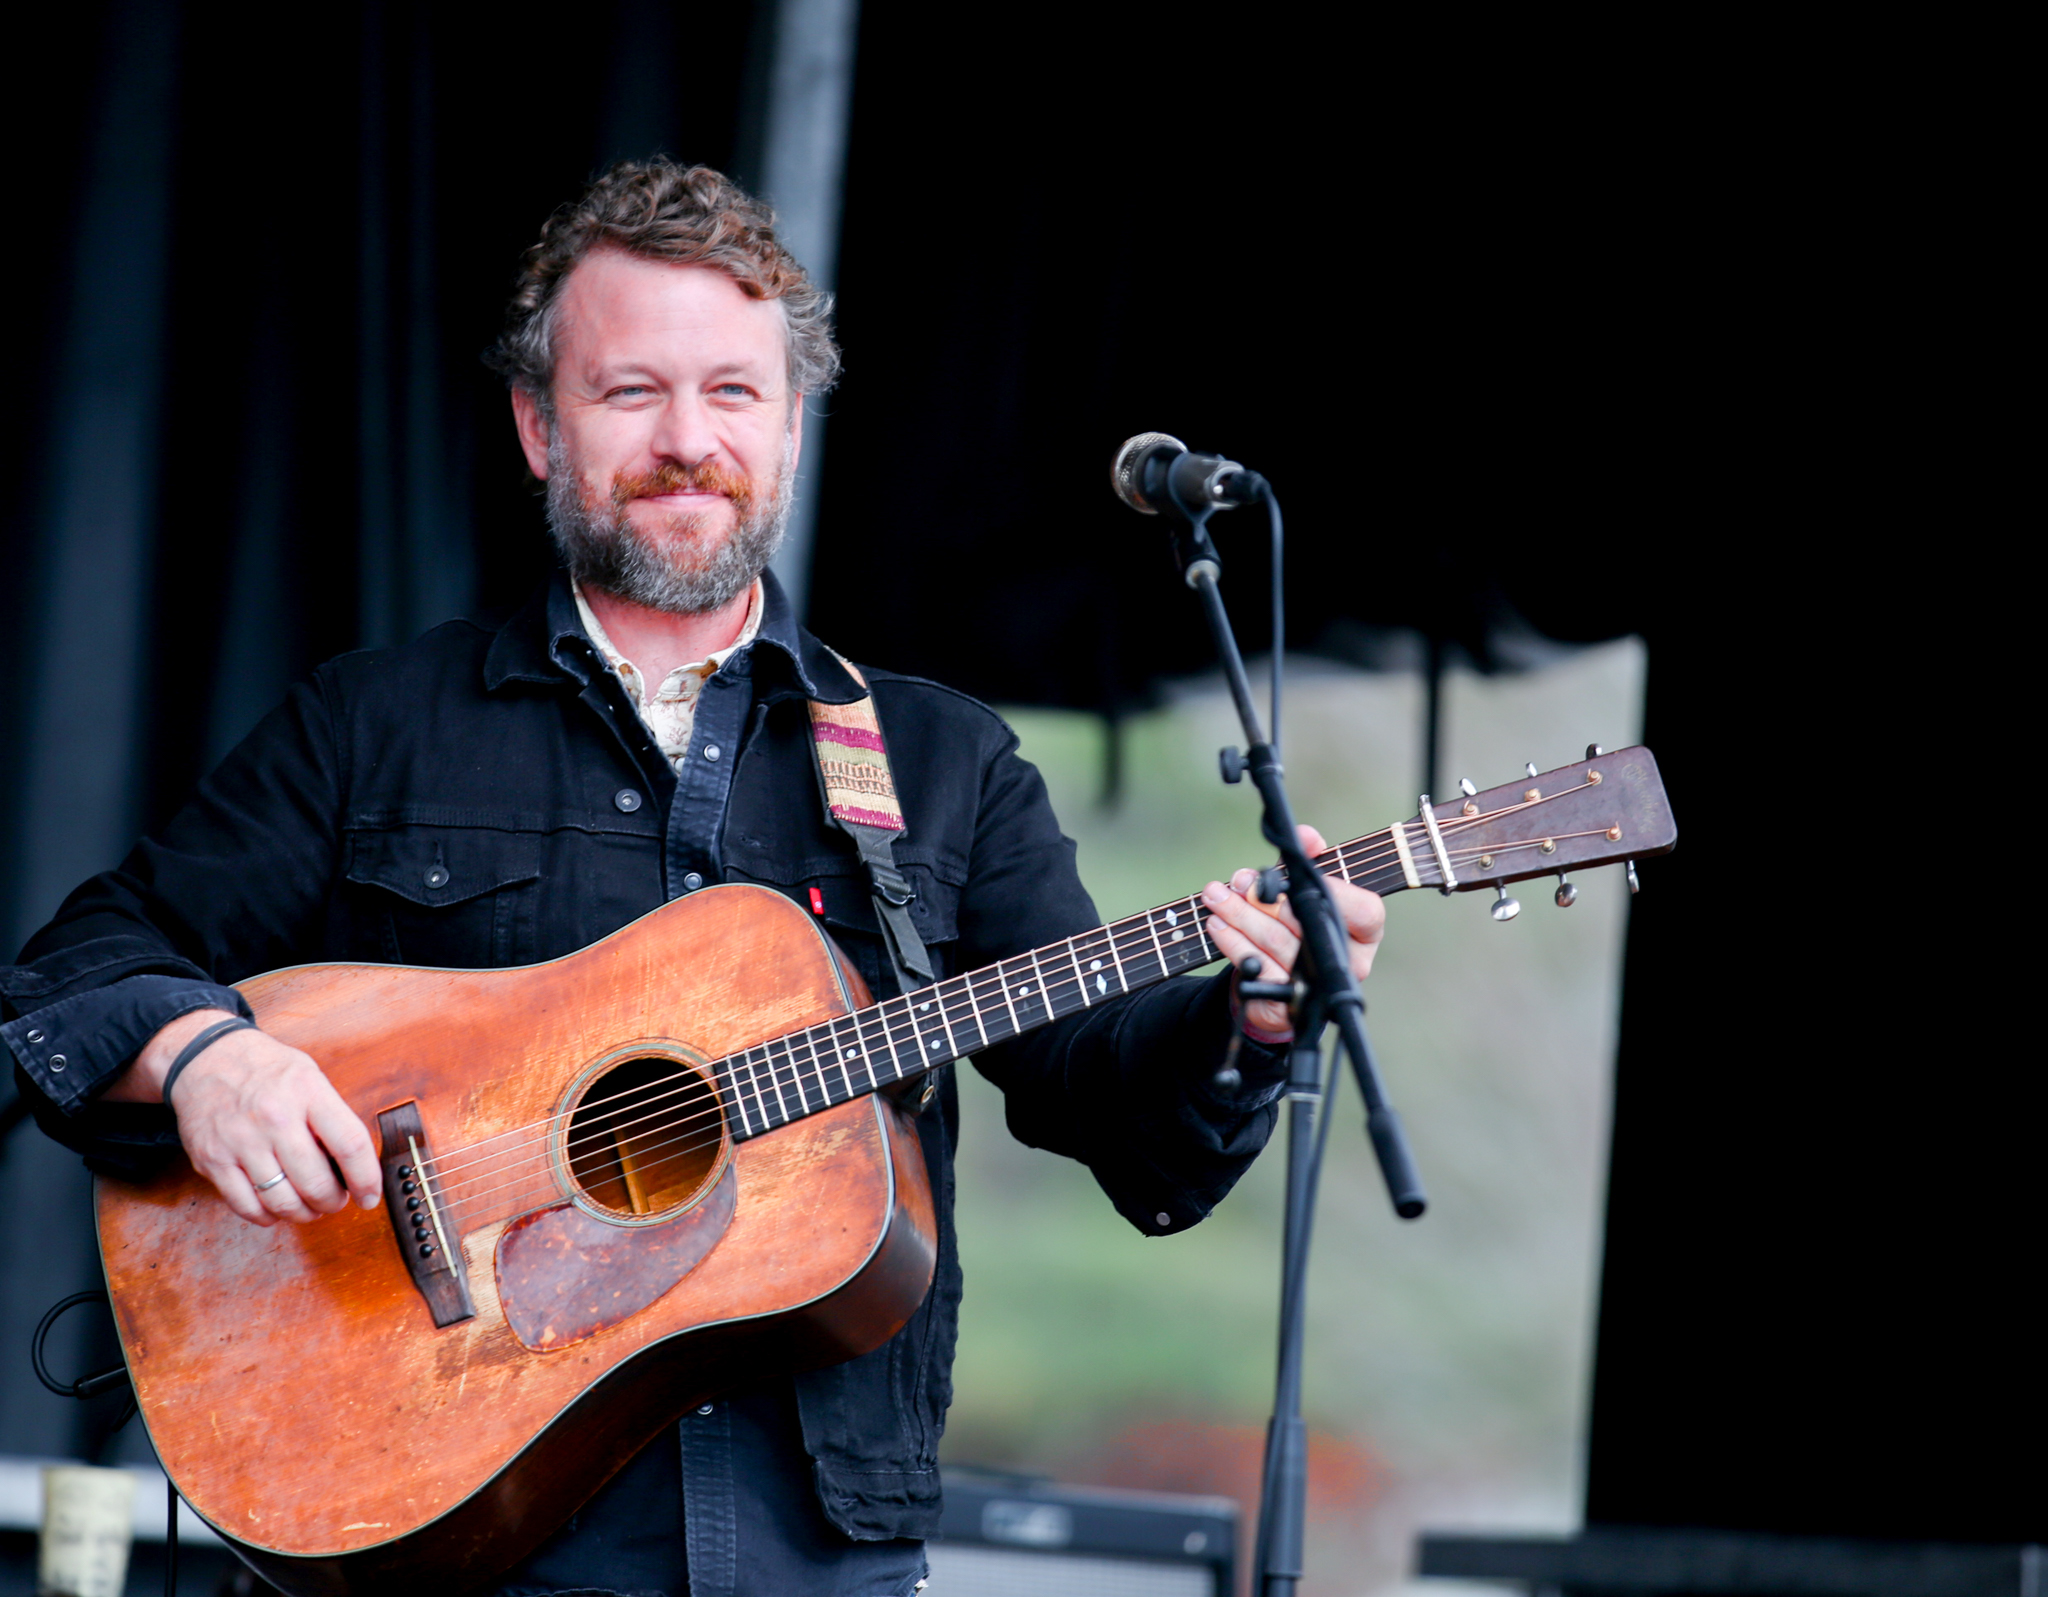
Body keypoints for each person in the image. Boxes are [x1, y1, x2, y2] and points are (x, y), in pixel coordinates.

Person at [1, 160, 1385, 1597]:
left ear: (790, 426)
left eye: (734, 393)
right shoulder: (375, 726)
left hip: (816, 1551)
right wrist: (208, 1059)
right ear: (541, 426)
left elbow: (1115, 1108)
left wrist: (1255, 1020)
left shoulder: (934, 756)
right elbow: (80, 966)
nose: (688, 441)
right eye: (631, 393)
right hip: (460, 1533)